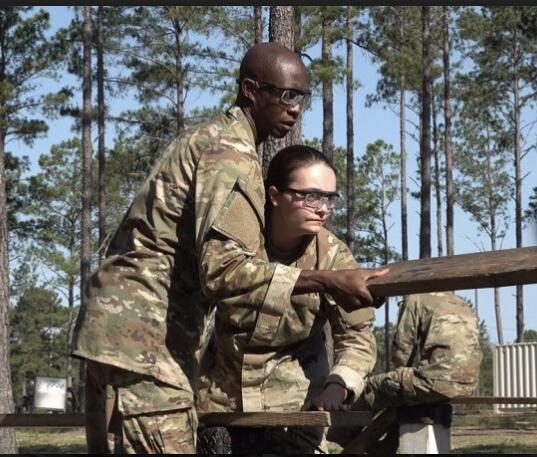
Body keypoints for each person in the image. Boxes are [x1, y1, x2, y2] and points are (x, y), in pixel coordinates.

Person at [71, 42, 388, 454]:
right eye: (286, 95)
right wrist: (324, 281)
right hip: (146, 341)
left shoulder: (209, 140)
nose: (294, 109)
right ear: (251, 90)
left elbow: (357, 337)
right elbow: (222, 270)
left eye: (302, 99)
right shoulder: (230, 152)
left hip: (127, 336)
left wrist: (339, 381)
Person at [197, 145, 379, 454]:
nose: (323, 208)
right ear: (274, 195)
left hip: (295, 412)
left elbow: (358, 336)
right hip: (221, 407)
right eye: (311, 196)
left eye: (330, 198)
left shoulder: (334, 257)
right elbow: (199, 303)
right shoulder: (237, 244)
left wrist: (339, 385)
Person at [322, 291, 483, 453]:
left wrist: (400, 371)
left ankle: (341, 432)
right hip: (468, 383)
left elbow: (402, 347)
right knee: (402, 398)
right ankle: (384, 448)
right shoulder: (460, 302)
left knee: (375, 386)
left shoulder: (416, 299)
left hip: (436, 380)